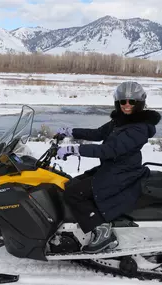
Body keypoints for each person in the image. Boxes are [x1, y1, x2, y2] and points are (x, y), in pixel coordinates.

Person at [56, 81, 161, 254]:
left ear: (140, 103)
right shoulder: (121, 122)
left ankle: (102, 232)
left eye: (132, 102)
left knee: (73, 193)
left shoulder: (139, 128)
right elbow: (98, 133)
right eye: (123, 102)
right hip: (112, 169)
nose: (127, 105)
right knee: (71, 183)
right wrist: (71, 132)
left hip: (122, 174)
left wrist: (75, 149)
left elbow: (109, 150)